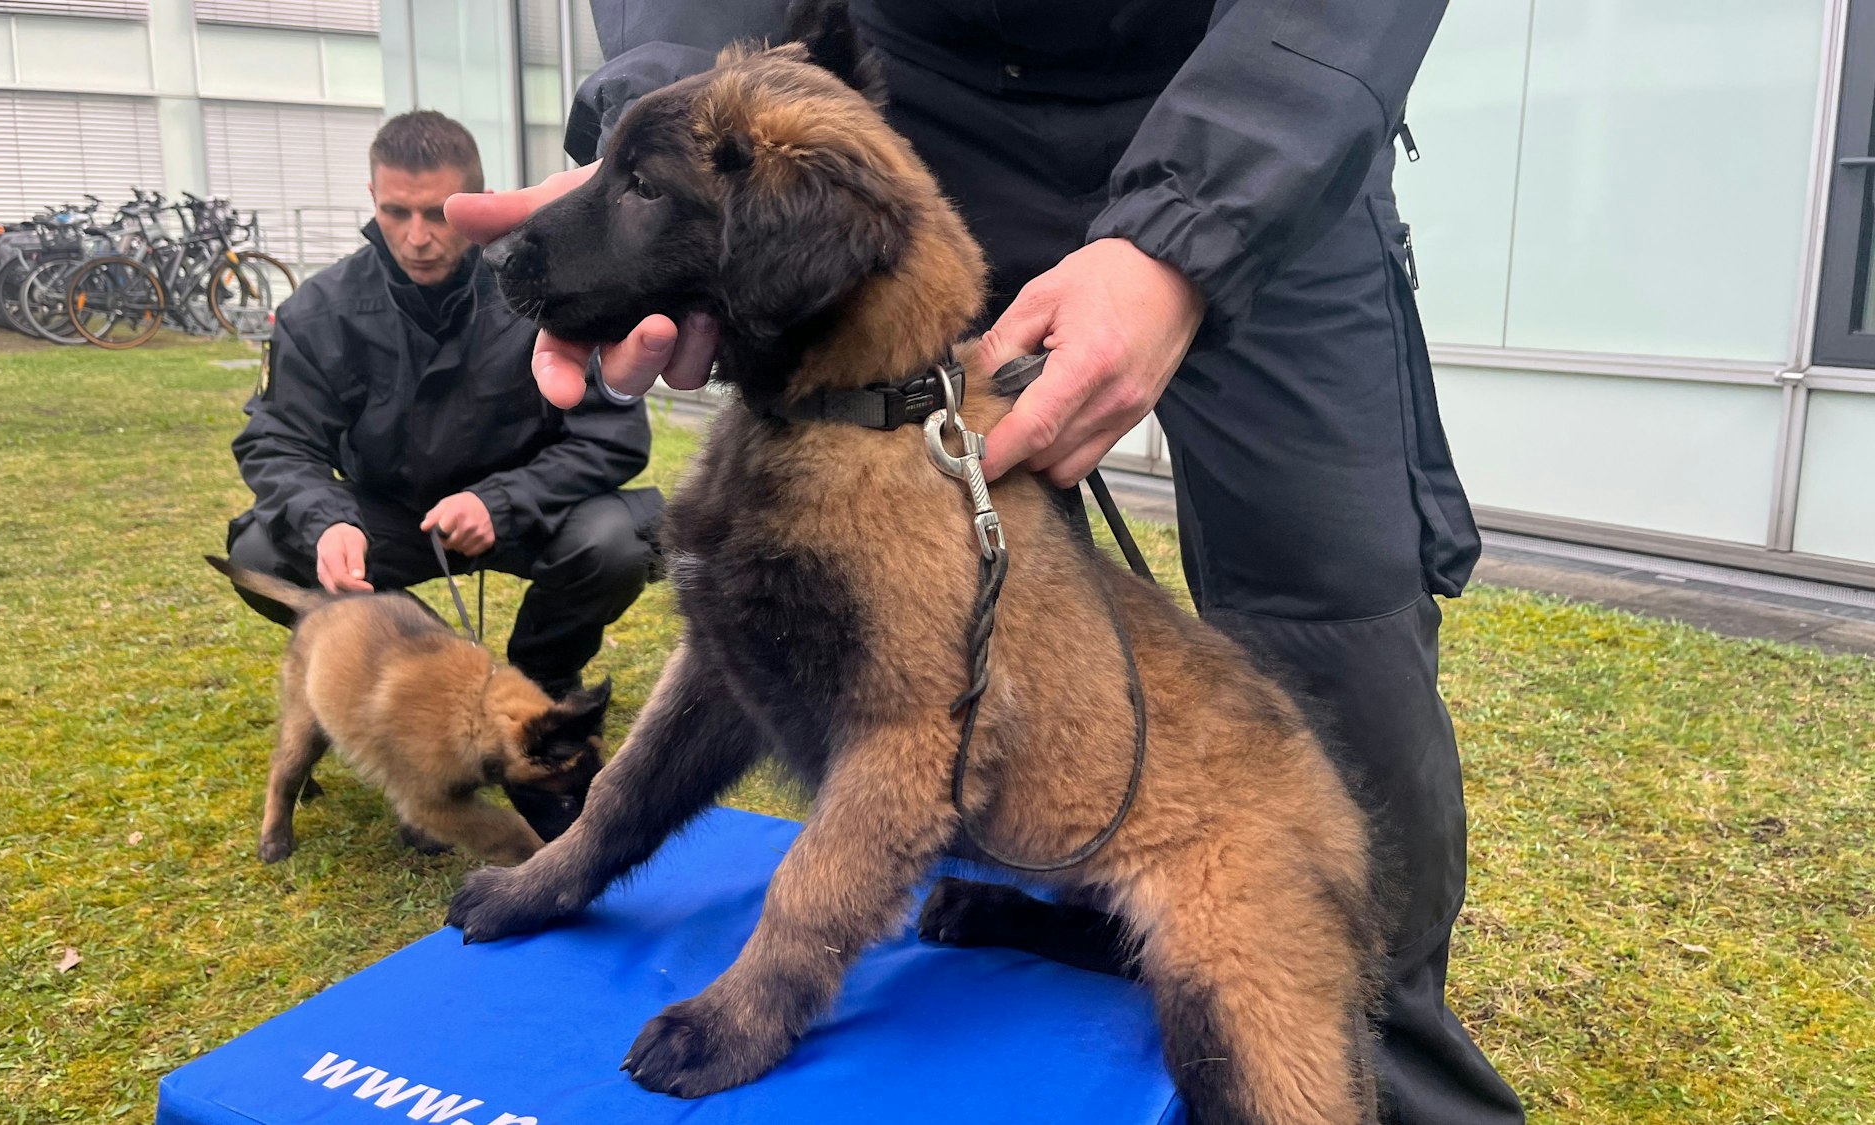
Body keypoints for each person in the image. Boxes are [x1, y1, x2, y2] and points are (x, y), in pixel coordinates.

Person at [447, 2, 1523, 1121]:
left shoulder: (821, 254)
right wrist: (654, 99)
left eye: (641, 190)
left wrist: (1187, 229)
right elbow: (726, 667)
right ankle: (1052, 918)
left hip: (1262, 105)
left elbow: (914, 745)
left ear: (779, 251)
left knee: (1339, 643)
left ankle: (1387, 1084)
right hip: (939, 91)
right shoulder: (791, 394)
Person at [224, 110, 661, 698]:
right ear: (372, 197)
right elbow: (277, 441)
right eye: (395, 211)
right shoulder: (318, 312)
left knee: (619, 539)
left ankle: (544, 678)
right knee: (261, 553)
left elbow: (614, 436)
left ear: (475, 201)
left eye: (436, 212)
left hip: (524, 511)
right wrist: (328, 522)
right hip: (390, 520)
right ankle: (425, 666)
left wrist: (498, 503)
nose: (416, 236)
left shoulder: (547, 290)